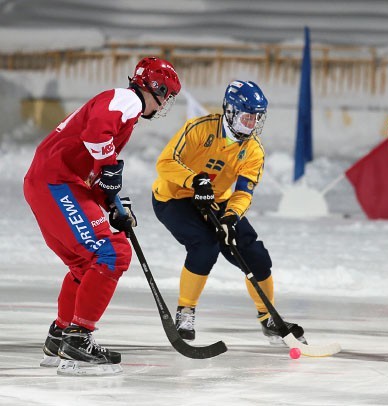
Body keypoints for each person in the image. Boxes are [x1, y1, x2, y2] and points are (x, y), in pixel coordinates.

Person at [23, 57, 181, 375]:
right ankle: (78, 340)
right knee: (113, 252)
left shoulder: (124, 110)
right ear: (156, 88)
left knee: (84, 265)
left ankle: (61, 335)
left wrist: (111, 204)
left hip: (52, 182)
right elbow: (97, 136)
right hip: (57, 182)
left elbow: (96, 168)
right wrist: (109, 170)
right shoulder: (126, 100)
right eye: (167, 95)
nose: (165, 103)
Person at [151, 80, 306, 346]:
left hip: (216, 201)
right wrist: (194, 181)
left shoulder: (253, 150)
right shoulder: (199, 128)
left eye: (256, 118)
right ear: (231, 112)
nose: (252, 124)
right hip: (174, 197)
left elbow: (244, 191)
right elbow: (165, 163)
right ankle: (185, 312)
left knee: (254, 253)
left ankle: (268, 317)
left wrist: (231, 216)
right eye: (247, 117)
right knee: (205, 245)